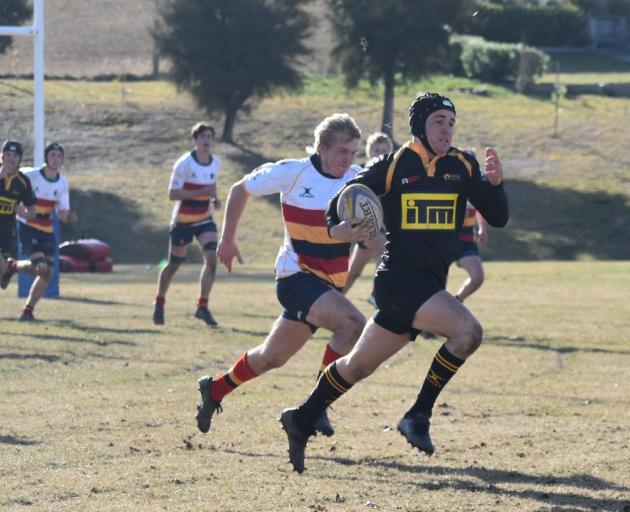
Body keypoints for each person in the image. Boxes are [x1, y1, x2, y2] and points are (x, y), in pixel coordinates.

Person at [279, 92, 509, 473]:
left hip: (426, 284)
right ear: (420, 125)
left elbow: (497, 218)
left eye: (451, 123)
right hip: (399, 279)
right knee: (468, 332)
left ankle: (301, 417)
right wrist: (339, 227)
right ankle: (418, 415)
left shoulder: (463, 165)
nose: (446, 129)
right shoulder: (395, 163)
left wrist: (497, 184)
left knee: (356, 367)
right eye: (438, 121)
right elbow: (339, 199)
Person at [195, 113, 370, 438]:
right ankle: (316, 406)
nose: (348, 160)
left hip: (329, 286)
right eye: (342, 152)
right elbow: (239, 189)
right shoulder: (293, 172)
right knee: (353, 325)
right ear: (321, 147)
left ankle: (215, 389)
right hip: (296, 278)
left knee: (270, 358)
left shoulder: (359, 179)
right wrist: (228, 239)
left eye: (353, 153)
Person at [153, 123, 222, 327]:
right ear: (195, 140)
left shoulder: (215, 162)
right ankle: (159, 302)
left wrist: (214, 200)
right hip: (182, 221)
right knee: (174, 264)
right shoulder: (184, 164)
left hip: (204, 219)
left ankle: (202, 306)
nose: (207, 140)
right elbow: (172, 194)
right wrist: (199, 192)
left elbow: (212, 185)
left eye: (210, 136)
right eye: (203, 136)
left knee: (211, 259)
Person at [4, 143, 79, 321]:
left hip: (46, 229)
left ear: (62, 160)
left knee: (47, 273)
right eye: (52, 155)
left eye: (59, 156)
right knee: (41, 266)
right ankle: (12, 267)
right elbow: (12, 188)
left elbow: (61, 213)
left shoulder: (62, 182)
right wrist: (17, 210)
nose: (55, 159)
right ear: (46, 158)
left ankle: (27, 310)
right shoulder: (31, 174)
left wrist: (70, 218)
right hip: (27, 227)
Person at [343, 132, 393, 298]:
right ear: (369, 151)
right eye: (376, 149)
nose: (379, 153)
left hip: (378, 229)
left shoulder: (391, 176)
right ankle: (376, 294)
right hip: (364, 227)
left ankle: (333, 298)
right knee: (388, 251)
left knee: (353, 273)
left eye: (384, 151)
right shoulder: (362, 173)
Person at [0, 140, 37, 291]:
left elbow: (32, 213)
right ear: (2, 157)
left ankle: (8, 269)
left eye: (15, 155)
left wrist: (23, 212)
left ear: (20, 159)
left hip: (6, 232)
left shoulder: (23, 182)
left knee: (2, 269)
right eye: (8, 154)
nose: (11, 158)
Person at [453, 199, 488, 302]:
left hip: (466, 241)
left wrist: (482, 228)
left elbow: (479, 208)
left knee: (477, 277)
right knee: (437, 285)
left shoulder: (473, 185)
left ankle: (457, 301)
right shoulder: (441, 184)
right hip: (443, 240)